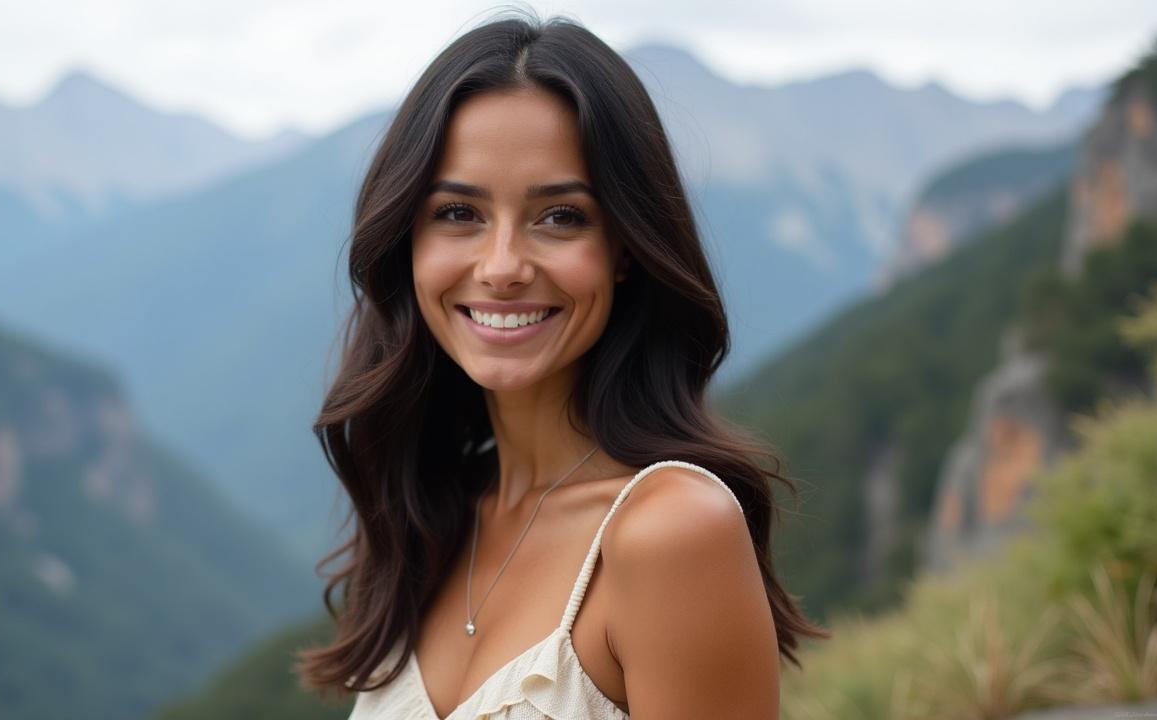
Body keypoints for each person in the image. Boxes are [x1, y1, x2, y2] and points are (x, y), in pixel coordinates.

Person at [294, 9, 830, 719]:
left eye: (561, 217)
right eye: (459, 212)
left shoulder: (671, 532)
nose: (504, 266)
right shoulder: (432, 519)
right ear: (408, 241)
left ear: (626, 249)